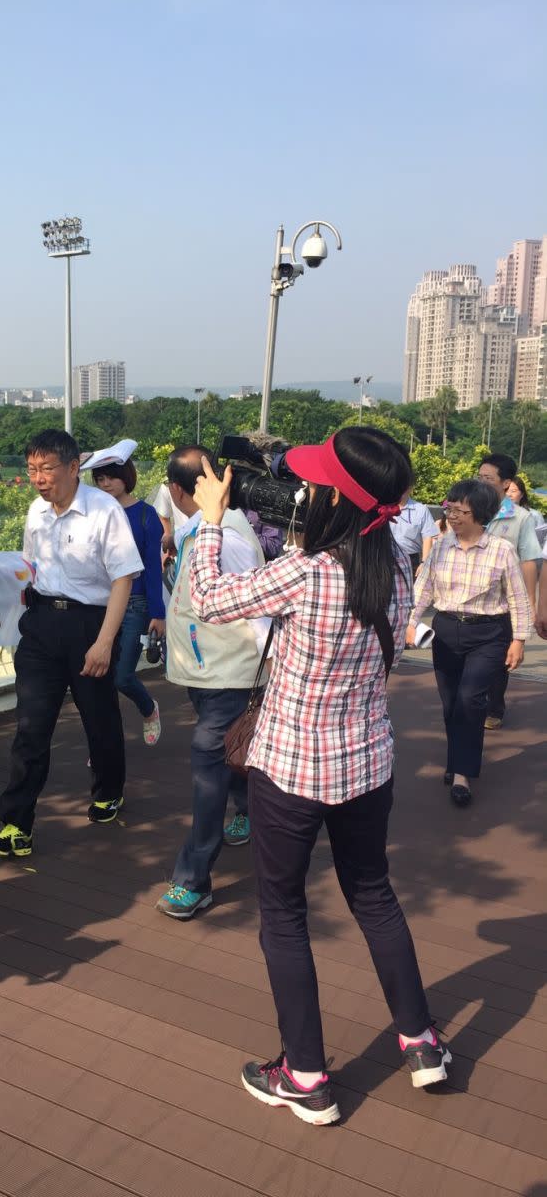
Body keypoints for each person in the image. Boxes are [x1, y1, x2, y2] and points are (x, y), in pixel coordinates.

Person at [189, 426, 448, 1127]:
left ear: (333, 495)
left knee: (283, 913)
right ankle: (421, 1042)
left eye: (312, 482)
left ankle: (305, 1075)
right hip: (367, 763)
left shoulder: (309, 573)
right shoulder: (393, 567)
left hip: (293, 770)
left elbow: (210, 601)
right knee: (374, 895)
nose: (301, 488)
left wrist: (212, 523)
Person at [0, 429, 143, 859]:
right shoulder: (36, 511)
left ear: (73, 467)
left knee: (99, 717)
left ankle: (109, 790)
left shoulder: (104, 510)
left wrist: (105, 642)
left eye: (47, 468)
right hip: (41, 626)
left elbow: (124, 577)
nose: (38, 478)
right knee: (30, 726)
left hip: (90, 624)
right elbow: (29, 564)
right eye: (32, 469)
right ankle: (17, 824)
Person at [155, 445, 267, 919]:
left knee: (207, 765)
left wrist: (265, 672)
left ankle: (193, 879)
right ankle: (246, 809)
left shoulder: (229, 538)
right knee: (225, 757)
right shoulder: (196, 529)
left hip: (228, 674)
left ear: (178, 490)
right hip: (205, 668)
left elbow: (259, 608)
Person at [408, 479, 531, 808]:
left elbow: (518, 599)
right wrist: (410, 621)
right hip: (447, 630)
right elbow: (424, 588)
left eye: (461, 510)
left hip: (489, 633)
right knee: (450, 704)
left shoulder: (501, 550)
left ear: (481, 516)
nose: (453, 516)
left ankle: (463, 773)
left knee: (469, 699)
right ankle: (456, 759)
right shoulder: (443, 546)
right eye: (450, 508)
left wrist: (519, 639)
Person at [90, 455, 165, 746]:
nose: (105, 483)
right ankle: (106, 741)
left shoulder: (146, 515)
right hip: (101, 604)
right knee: (100, 678)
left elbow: (152, 568)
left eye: (111, 477)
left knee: (122, 676)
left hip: (135, 605)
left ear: (126, 476)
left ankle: (149, 709)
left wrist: (158, 614)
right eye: (99, 479)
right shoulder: (97, 516)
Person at [476, 454, 539, 729]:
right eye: (479, 477)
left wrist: (531, 605)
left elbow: (529, 562)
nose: (481, 483)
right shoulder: (469, 509)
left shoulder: (522, 518)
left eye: (488, 479)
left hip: (503, 604)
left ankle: (494, 707)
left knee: (499, 661)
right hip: (469, 600)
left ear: (506, 483)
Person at [390, 488, 439, 576]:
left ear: (411, 487)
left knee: (412, 589)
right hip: (384, 558)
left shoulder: (421, 509)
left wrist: (424, 563)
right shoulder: (382, 507)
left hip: (411, 560)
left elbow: (428, 537)